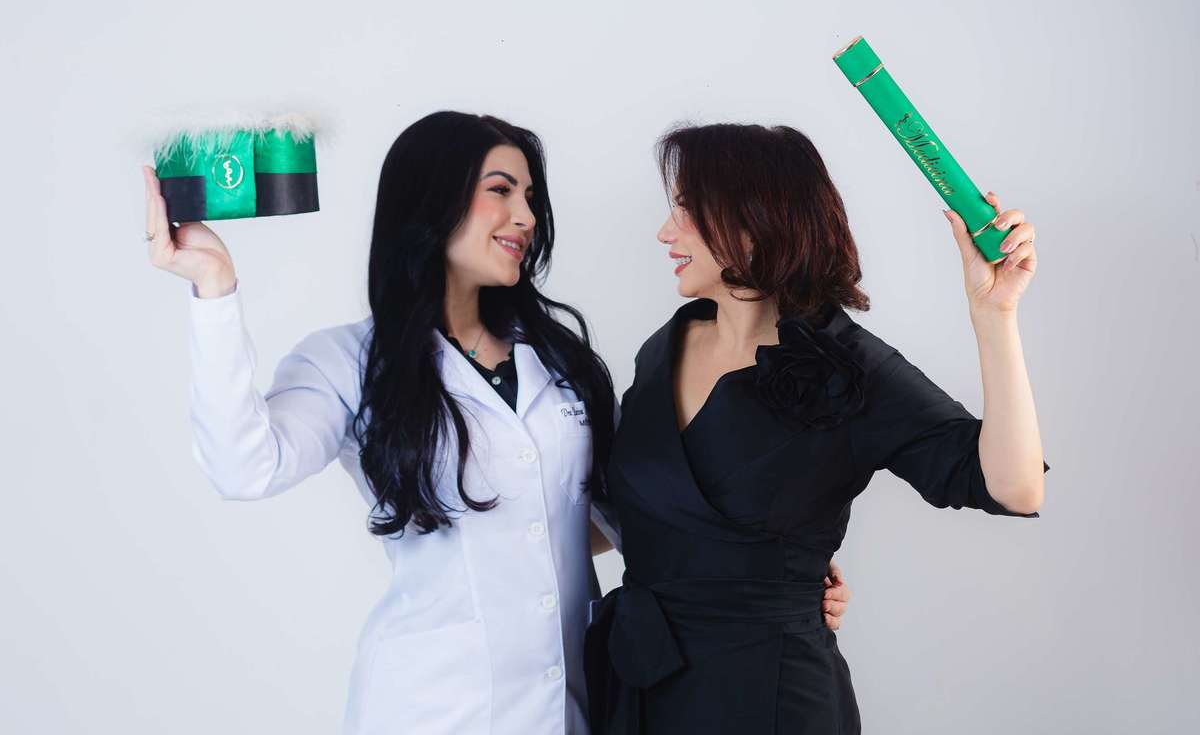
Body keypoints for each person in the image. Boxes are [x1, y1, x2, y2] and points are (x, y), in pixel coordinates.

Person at [142, 112, 852, 734]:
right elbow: (245, 468)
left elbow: (630, 511)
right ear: (434, 199)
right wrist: (214, 290)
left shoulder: (562, 361)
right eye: (501, 191)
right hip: (431, 709)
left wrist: (777, 576)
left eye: (530, 198)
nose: (526, 216)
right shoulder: (348, 362)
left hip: (573, 704)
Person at [583, 123, 1050, 734]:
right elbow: (638, 514)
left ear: (756, 218)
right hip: (642, 688)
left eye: (688, 210)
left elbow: (1014, 488)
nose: (665, 232)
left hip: (771, 701)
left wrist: (996, 314)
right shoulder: (665, 346)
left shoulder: (849, 366)